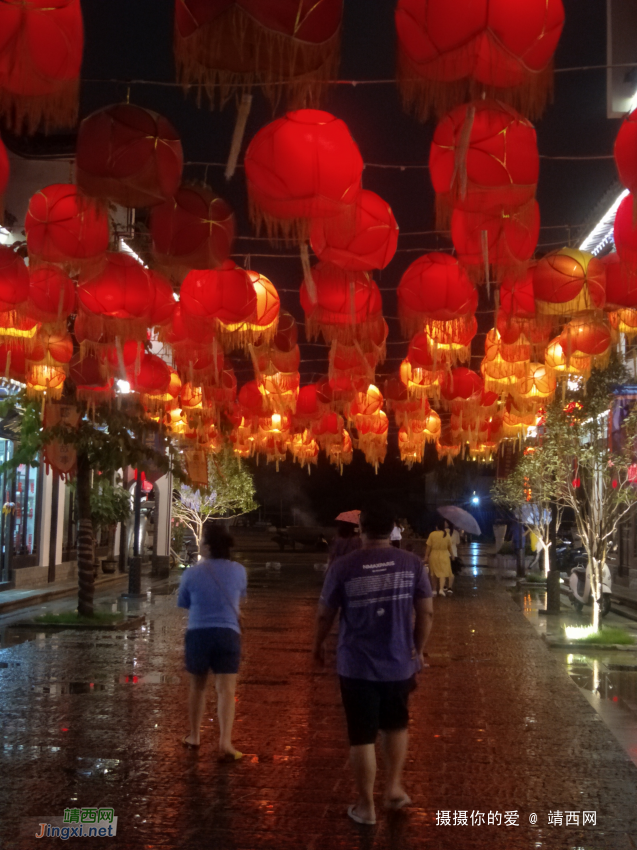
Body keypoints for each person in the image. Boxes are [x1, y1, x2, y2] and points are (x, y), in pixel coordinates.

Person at [313, 501, 434, 826]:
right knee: (396, 724)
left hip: (357, 666)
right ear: (392, 528)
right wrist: (418, 649)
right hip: (399, 663)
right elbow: (426, 611)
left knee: (362, 735)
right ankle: (393, 787)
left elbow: (326, 613)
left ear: (361, 529)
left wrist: (318, 643)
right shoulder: (412, 564)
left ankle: (366, 807)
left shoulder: (343, 566)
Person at [177, 523, 247, 760]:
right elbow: (240, 597)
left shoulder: (192, 573)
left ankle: (195, 735)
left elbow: (184, 602)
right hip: (228, 634)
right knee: (226, 690)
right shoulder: (239, 571)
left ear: (207, 546)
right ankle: (225, 742)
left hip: (199, 633)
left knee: (197, 687)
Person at [425, 521, 454, 596]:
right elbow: (450, 547)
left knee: (433, 573)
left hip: (434, 555)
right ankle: (441, 589)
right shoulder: (447, 535)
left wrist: (426, 556)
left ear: (437, 527)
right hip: (444, 555)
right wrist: (452, 555)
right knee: (443, 573)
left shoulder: (432, 534)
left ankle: (434, 590)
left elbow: (428, 547)